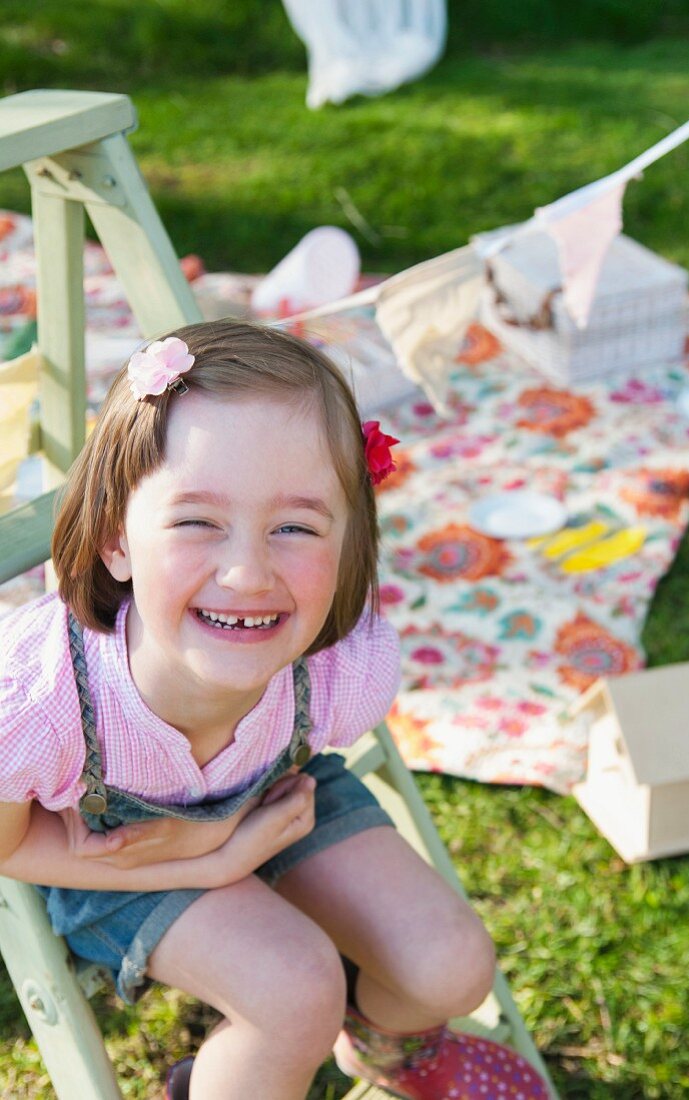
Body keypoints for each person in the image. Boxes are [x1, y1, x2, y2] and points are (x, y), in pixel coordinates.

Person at [0, 321, 549, 1100]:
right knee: (294, 991)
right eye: (197, 521)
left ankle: (384, 1049)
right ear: (117, 539)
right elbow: (8, 848)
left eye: (294, 527)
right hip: (119, 857)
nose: (247, 571)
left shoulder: (339, 670)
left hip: (278, 797)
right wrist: (212, 856)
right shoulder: (36, 700)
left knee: (451, 965)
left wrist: (237, 834)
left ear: (348, 540)